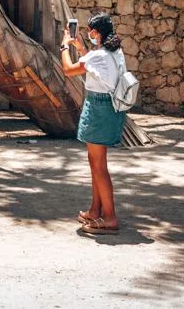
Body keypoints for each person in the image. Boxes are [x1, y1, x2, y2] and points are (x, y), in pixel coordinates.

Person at [61, 12, 127, 235]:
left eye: (90, 30)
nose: (88, 33)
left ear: (96, 33)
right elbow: (97, 66)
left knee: (99, 166)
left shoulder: (98, 56)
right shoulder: (113, 51)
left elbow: (69, 70)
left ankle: (110, 218)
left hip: (99, 108)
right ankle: (95, 209)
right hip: (108, 108)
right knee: (95, 163)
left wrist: (64, 47)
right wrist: (81, 49)